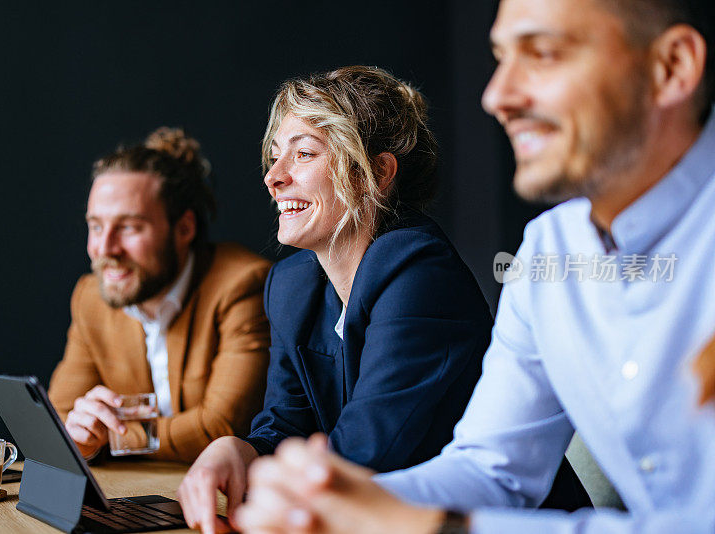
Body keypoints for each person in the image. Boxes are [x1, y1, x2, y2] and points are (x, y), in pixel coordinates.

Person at [232, 0, 715, 532]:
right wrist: (322, 498)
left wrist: (428, 523)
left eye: (545, 54)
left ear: (670, 68)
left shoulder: (418, 268)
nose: (497, 96)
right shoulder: (546, 253)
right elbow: (491, 467)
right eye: (501, 57)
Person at [177, 66, 502, 534]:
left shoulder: (419, 270)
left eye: (304, 153)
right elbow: (286, 423)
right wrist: (240, 450)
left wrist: (267, 484)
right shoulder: (291, 285)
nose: (273, 177)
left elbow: (365, 455)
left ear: (378, 173)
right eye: (274, 157)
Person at [48, 127, 271, 462]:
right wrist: (79, 433)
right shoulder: (91, 296)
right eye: (96, 226)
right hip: (135, 497)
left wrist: (110, 436)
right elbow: (59, 423)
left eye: (128, 227)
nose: (105, 248)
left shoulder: (242, 285)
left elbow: (219, 427)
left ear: (184, 229)